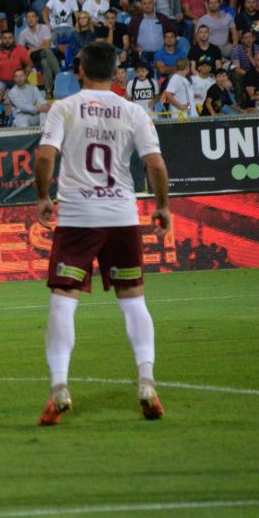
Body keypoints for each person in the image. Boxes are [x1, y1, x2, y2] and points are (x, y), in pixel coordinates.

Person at [34, 41, 170, 426]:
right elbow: (155, 165)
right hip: (121, 216)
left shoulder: (64, 107)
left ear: (80, 70)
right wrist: (162, 206)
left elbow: (45, 156)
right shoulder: (133, 111)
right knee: (133, 301)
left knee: (63, 301)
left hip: (78, 216)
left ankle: (59, 386)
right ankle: (146, 380)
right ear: (115, 73)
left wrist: (43, 196)